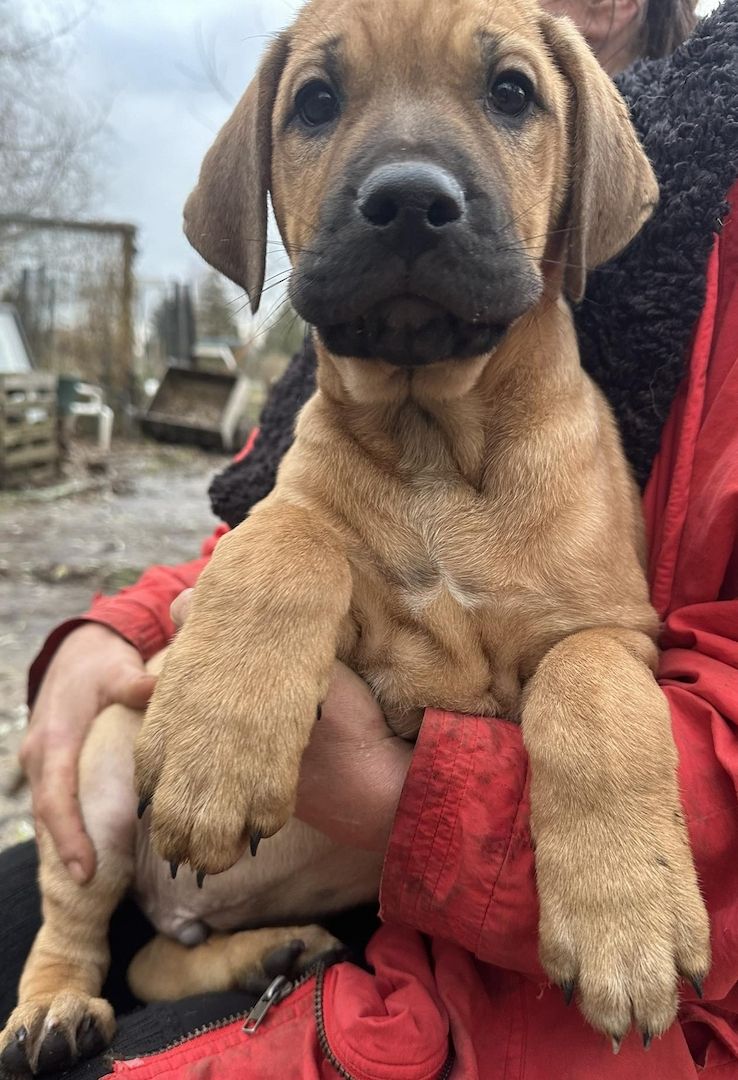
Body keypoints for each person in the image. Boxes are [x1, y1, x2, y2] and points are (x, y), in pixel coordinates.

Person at [3, 0, 738, 1076]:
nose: (408, 181)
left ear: (583, 171)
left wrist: (417, 798)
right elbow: (272, 523)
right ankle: (74, 958)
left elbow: (599, 636)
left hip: (464, 978)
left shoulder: (616, 407)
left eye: (505, 94)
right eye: (320, 103)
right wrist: (112, 627)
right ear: (257, 193)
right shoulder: (337, 403)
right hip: (181, 853)